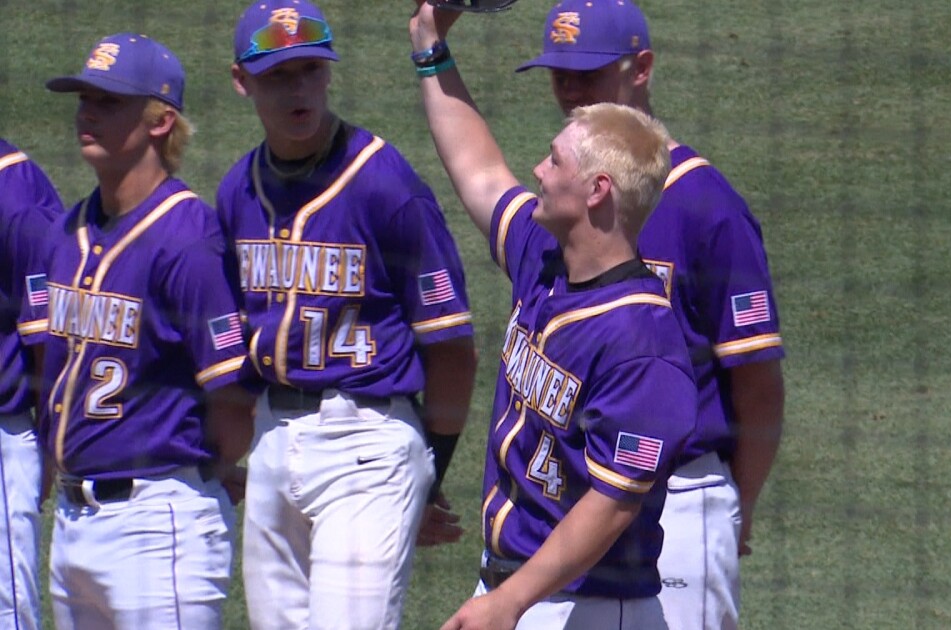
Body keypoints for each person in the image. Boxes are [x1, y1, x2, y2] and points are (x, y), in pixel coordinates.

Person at [408, 4, 699, 630]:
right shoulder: (544, 256)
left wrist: (509, 604)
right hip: (517, 590)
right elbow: (478, 171)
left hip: (586, 608)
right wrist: (429, 45)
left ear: (596, 190)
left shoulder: (641, 342)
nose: (537, 170)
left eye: (555, 161)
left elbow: (614, 503)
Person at [513, 2, 785, 627]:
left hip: (685, 497)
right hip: (573, 501)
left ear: (642, 69)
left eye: (589, 74)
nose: (572, 92)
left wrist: (733, 503)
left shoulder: (707, 206)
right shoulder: (562, 203)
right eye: (561, 76)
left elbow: (758, 383)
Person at [219, 1, 478, 627]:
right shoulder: (235, 191)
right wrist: (223, 456)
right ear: (241, 80)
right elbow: (227, 347)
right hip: (271, 448)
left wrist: (427, 472)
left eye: (310, 69)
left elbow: (451, 349)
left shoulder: (385, 185)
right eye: (279, 74)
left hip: (368, 446)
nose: (299, 89)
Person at [18, 33, 253, 629]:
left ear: (160, 120)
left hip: (159, 527)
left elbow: (232, 394)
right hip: (72, 526)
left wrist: (209, 468)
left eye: (110, 101)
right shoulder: (66, 230)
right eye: (83, 98)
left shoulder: (188, 239)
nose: (87, 113)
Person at [1, 139, 63, 629]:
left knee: (8, 610)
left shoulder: (17, 199)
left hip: (3, 436)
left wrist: (48, 442)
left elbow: (50, 343)